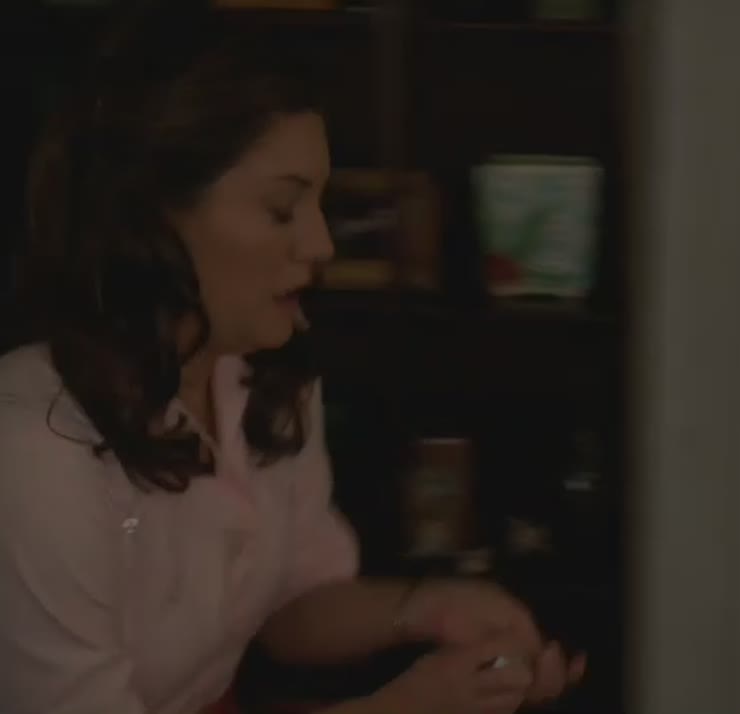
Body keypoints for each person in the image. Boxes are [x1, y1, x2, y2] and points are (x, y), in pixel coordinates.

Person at [0, 6, 585, 714]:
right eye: (282, 211)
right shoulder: (37, 449)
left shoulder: (264, 384)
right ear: (150, 216)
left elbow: (286, 606)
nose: (321, 246)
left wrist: (430, 609)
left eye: (319, 207)